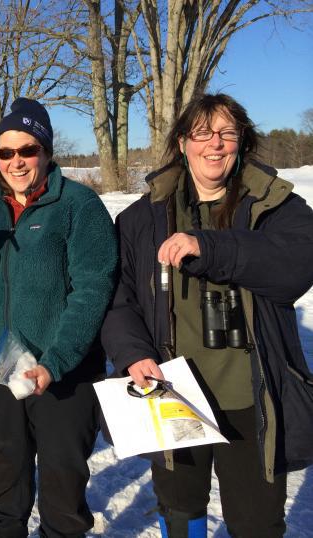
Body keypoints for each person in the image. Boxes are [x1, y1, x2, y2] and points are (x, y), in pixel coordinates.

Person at [101, 93, 313, 537]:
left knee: (256, 521)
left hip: (252, 396)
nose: (214, 144)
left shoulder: (275, 207)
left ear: (242, 142)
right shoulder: (143, 218)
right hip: (171, 391)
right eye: (201, 133)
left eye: (227, 133)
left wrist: (209, 245)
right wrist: (133, 352)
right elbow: (118, 298)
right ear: (182, 143)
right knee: (180, 511)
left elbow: (296, 265)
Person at [0, 98, 118, 537]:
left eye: (27, 150)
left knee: (63, 481)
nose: (16, 161)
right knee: (6, 468)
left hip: (63, 372)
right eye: (5, 152)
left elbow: (93, 290)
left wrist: (56, 361)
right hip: (4, 365)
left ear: (45, 151)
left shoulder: (79, 206)